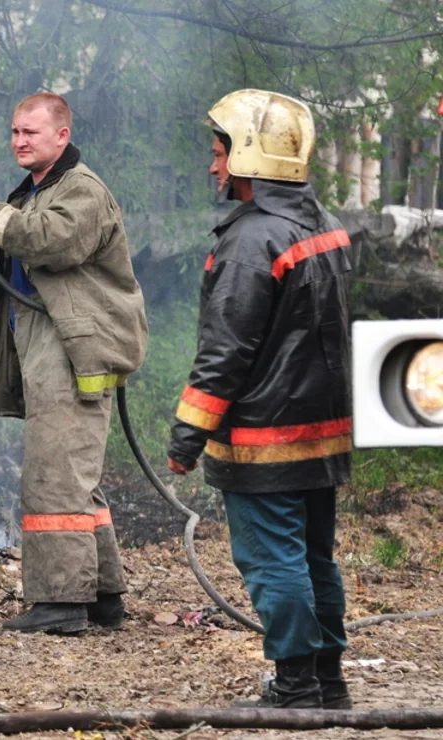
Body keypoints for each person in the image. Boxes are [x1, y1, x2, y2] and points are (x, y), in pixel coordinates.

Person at [166, 89, 353, 709]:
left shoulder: (252, 242)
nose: (212, 166)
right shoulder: (320, 224)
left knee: (273, 563)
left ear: (248, 156)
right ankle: (329, 681)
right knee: (314, 558)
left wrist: (187, 437)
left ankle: (296, 686)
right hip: (321, 435)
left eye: (219, 152)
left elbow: (226, 352)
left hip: (265, 441)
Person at [0, 92, 149, 635]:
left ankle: (61, 601)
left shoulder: (81, 192)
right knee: (77, 480)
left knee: (53, 477)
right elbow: (32, 286)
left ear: (61, 136)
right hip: (52, 345)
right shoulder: (39, 190)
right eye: (14, 132)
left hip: (74, 354)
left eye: (30, 133)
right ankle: (102, 594)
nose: (19, 141)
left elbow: (50, 243)